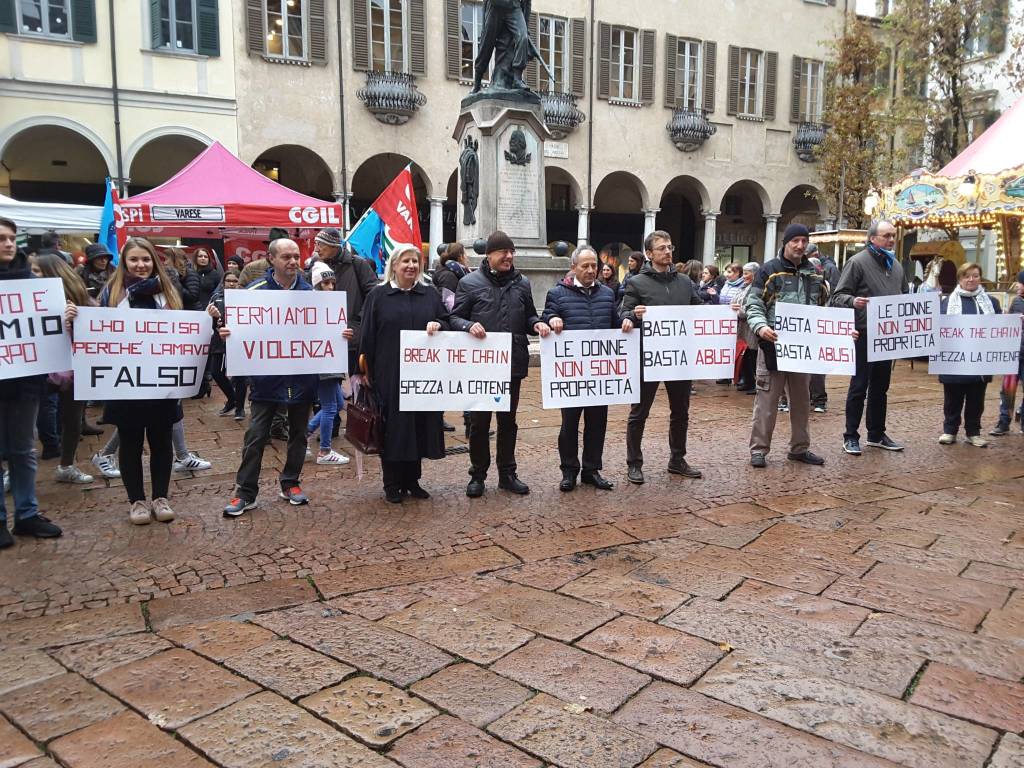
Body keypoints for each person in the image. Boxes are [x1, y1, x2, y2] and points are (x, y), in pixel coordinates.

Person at [217, 239, 325, 518]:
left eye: (296, 256)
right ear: (271, 260)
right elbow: (240, 330)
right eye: (286, 257)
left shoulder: (312, 295)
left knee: (299, 434)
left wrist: (339, 335)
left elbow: (322, 330)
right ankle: (245, 492)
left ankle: (291, 482)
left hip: (302, 377)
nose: (292, 262)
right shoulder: (253, 293)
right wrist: (230, 334)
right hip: (267, 378)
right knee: (256, 435)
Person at [83, 237, 183, 525]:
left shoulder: (168, 294)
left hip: (161, 382)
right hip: (125, 382)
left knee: (162, 440)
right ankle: (137, 501)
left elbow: (183, 334)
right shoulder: (112, 294)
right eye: (134, 260)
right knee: (130, 441)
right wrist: (76, 318)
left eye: (146, 259)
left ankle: (161, 497)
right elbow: (97, 334)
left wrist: (207, 319)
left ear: (154, 262)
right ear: (124, 262)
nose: (140, 265)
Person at [450, 230, 549, 498]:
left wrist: (537, 324)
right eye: (504, 252)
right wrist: (468, 325)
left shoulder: (522, 283)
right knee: (480, 424)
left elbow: (529, 316)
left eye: (511, 252)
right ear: (489, 255)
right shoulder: (469, 283)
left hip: (512, 363)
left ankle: (507, 473)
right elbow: (454, 318)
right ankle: (478, 475)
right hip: (481, 365)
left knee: (508, 422)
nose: (509, 256)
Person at [359, 245, 451, 502]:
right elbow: (367, 335)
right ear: (394, 265)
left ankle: (413, 480)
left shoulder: (430, 294)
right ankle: (392, 483)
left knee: (419, 425)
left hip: (423, 375)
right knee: (393, 428)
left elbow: (446, 320)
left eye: (415, 261)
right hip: (389, 373)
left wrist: (439, 324)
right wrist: (365, 372)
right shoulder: (378, 295)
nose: (411, 265)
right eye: (406, 261)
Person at [745, 223, 836, 469]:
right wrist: (761, 327)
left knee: (801, 401)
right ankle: (759, 450)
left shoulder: (815, 273)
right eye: (795, 240)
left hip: (801, 349)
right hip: (772, 346)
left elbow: (823, 309)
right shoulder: (768, 271)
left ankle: (800, 448)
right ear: (786, 242)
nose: (800, 245)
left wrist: (839, 331)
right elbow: (753, 304)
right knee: (767, 401)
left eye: (804, 241)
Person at [543, 246, 633, 492]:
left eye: (594, 265)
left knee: (597, 424)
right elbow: (546, 316)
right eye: (585, 266)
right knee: (569, 425)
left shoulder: (606, 294)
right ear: (573, 267)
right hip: (572, 376)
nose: (591, 270)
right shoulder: (557, 293)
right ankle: (569, 471)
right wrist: (551, 320)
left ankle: (592, 470)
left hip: (598, 375)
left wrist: (627, 321)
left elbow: (615, 323)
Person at [620, 230, 703, 484]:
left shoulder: (685, 282)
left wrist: (725, 314)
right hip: (649, 356)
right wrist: (632, 315)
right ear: (649, 254)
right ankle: (634, 463)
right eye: (662, 248)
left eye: (670, 247)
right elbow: (623, 311)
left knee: (681, 411)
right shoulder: (636, 282)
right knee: (639, 412)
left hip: (679, 356)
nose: (668, 252)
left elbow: (699, 310)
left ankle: (677, 459)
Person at [0, 217, 63, 547]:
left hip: (26, 380)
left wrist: (63, 316)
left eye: (11, 238)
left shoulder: (31, 282)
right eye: (1, 239)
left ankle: (26, 514)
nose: (9, 244)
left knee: (24, 449)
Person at [831, 219, 908, 455]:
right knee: (859, 386)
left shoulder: (895, 265)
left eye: (893, 236)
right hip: (864, 334)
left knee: (880, 387)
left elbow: (905, 296)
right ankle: (851, 435)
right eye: (886, 236)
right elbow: (837, 296)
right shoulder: (857, 262)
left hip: (887, 335)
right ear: (872, 238)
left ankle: (876, 434)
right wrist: (853, 301)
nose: (891, 240)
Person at [33, 254, 97, 484]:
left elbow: (97, 327)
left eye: (37, 271)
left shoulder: (80, 300)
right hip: (40, 369)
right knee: (27, 420)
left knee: (72, 419)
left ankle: (66, 465)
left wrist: (75, 320)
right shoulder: (26, 301)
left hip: (73, 369)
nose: (33, 275)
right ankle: (15, 471)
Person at [939, 262, 1002, 447]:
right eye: (967, 276)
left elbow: (1000, 327)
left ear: (980, 278)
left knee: (976, 399)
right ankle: (950, 430)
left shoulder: (991, 302)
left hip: (979, 361)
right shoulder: (948, 301)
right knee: (952, 398)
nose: (971, 279)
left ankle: (973, 432)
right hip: (955, 360)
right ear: (960, 279)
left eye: (975, 275)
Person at [306, 262, 350, 466]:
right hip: (324, 362)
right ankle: (324, 451)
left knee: (338, 404)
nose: (330, 287)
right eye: (325, 283)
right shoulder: (314, 305)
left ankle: (302, 435)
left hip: (331, 360)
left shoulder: (331, 304)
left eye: (332, 283)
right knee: (331, 406)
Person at [991, 269, 1024, 436]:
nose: (1017, 285)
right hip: (1014, 354)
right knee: (1008, 390)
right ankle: (1004, 422)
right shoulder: (1017, 302)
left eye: (1020, 282)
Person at [731, 262, 760, 394]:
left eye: (747, 273)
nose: (744, 276)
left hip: (751, 328)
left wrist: (740, 310)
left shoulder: (756, 289)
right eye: (743, 273)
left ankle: (754, 383)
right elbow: (733, 301)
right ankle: (747, 381)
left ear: (754, 274)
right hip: (742, 327)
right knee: (744, 355)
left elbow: (753, 308)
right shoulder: (743, 287)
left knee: (752, 355)